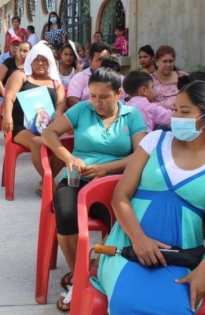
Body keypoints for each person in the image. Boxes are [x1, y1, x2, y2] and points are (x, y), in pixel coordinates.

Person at [94, 81, 205, 314]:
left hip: (181, 258)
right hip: (127, 249)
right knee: (127, 304)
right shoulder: (154, 141)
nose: (176, 117)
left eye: (185, 112)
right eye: (174, 110)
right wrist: (139, 240)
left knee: (177, 309)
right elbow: (120, 196)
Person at [42, 63, 148, 312]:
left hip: (114, 184)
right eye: (93, 96)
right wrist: (68, 158)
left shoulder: (131, 115)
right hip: (78, 180)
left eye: (104, 97)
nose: (97, 102)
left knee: (121, 223)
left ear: (118, 94)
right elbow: (49, 134)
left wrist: (107, 168)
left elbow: (141, 154)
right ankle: (78, 276)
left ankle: (104, 273)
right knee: (66, 216)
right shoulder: (81, 110)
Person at [2, 42, 66, 196]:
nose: (40, 63)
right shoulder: (21, 75)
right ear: (30, 60)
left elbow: (61, 104)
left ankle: (44, 183)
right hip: (21, 128)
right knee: (39, 143)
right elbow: (9, 96)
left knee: (66, 147)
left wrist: (57, 116)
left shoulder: (56, 84)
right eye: (36, 59)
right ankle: (50, 183)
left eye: (44, 60)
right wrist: (7, 117)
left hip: (47, 128)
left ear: (50, 62)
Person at [66, 42, 125, 108]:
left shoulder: (121, 79)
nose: (104, 62)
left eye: (106, 59)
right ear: (90, 61)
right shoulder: (79, 78)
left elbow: (132, 99)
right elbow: (71, 99)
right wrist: (92, 111)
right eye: (99, 59)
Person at [0, 38, 30, 108]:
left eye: (25, 51)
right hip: (3, 94)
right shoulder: (8, 62)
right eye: (20, 50)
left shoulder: (30, 65)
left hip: (21, 96)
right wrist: (5, 95)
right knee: (6, 105)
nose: (22, 53)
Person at [152, 45, 188, 111]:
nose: (168, 65)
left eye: (171, 61)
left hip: (181, 116)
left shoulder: (182, 76)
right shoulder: (150, 80)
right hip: (158, 118)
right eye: (164, 61)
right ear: (156, 62)